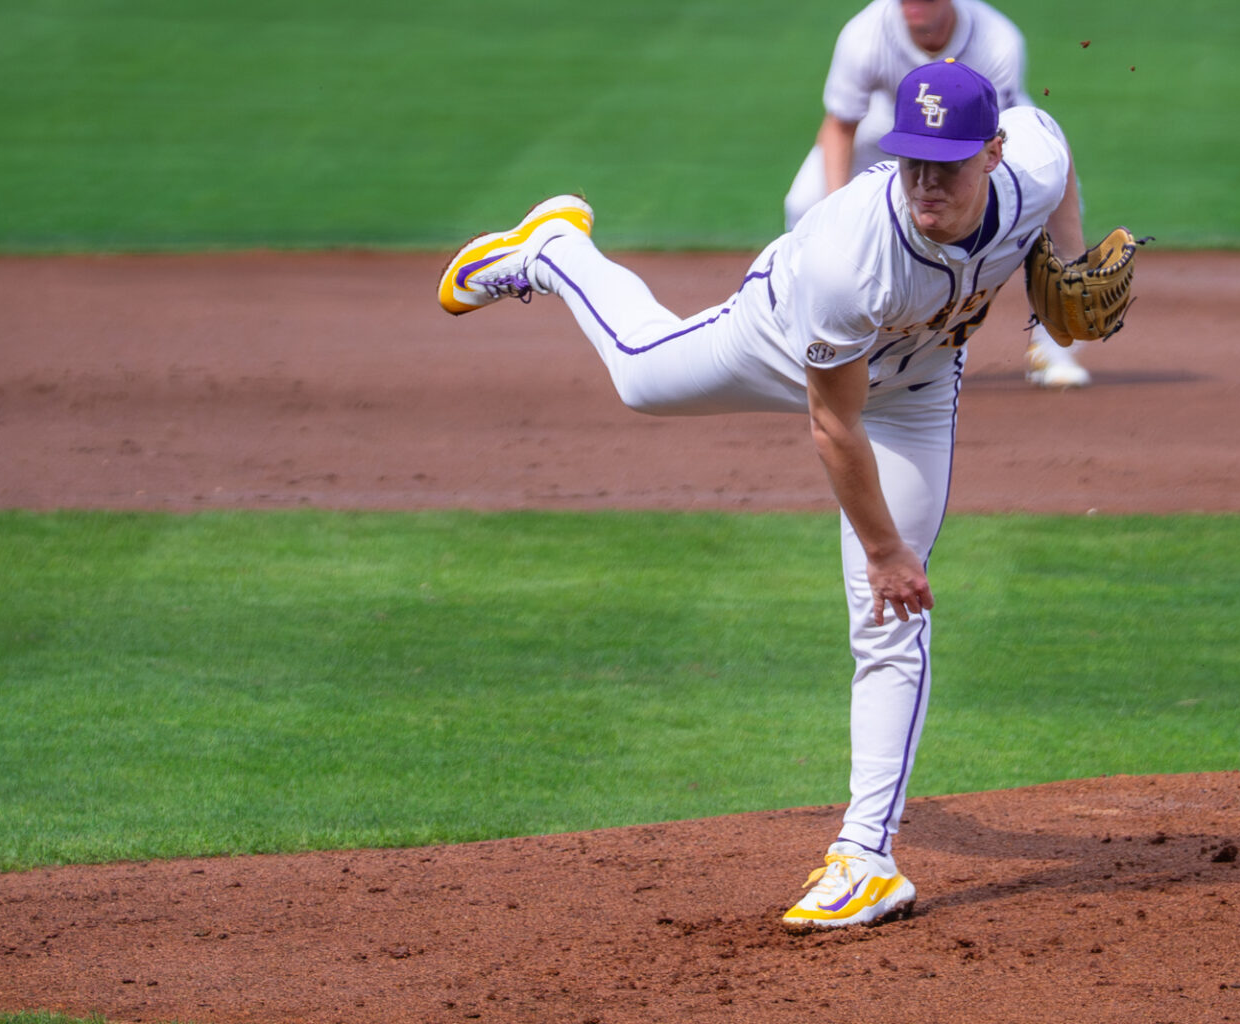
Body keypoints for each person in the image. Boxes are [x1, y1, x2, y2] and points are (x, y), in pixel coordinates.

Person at [438, 59, 1097, 929]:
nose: (929, 182)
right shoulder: (847, 257)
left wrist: (1069, 274)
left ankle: (866, 857)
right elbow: (833, 428)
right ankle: (554, 249)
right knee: (641, 378)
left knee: (890, 619)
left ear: (994, 152)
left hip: (921, 387)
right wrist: (887, 550)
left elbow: (1062, 165)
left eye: (950, 162)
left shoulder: (1033, 163)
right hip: (787, 341)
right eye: (913, 161)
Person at [785, 0, 1093, 390]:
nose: (914, 6)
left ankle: (1053, 349)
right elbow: (840, 127)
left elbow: (993, 140)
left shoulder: (996, 39)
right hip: (895, 132)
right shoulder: (865, 35)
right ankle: (808, 331)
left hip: (974, 139)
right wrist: (838, 208)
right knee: (803, 201)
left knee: (1052, 194)